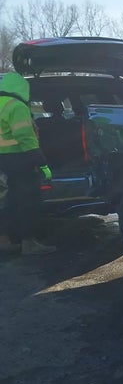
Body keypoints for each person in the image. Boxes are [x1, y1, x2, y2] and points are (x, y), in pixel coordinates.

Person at [0, 72, 56, 255]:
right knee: (29, 201)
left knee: (9, 201)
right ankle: (29, 244)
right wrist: (42, 163)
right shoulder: (16, 106)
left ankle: (4, 241)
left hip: (3, 161)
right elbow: (25, 137)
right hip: (19, 160)